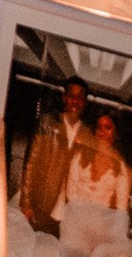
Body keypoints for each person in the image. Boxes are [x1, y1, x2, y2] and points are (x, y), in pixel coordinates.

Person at [20, 77, 93, 235]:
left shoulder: (87, 134)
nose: (75, 101)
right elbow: (30, 163)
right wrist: (25, 203)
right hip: (43, 203)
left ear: (85, 103)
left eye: (80, 97)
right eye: (71, 96)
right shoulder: (47, 123)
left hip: (69, 211)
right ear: (64, 98)